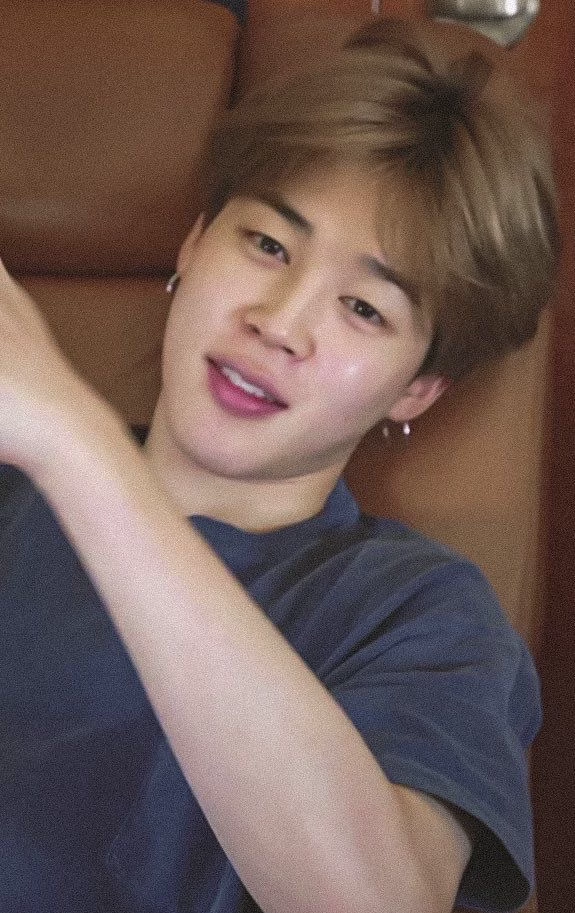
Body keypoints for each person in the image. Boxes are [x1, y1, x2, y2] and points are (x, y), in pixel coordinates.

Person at [0, 17, 558, 913]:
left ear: (416, 388)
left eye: (364, 309)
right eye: (266, 244)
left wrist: (78, 446)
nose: (281, 322)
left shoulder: (422, 615)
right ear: (193, 244)